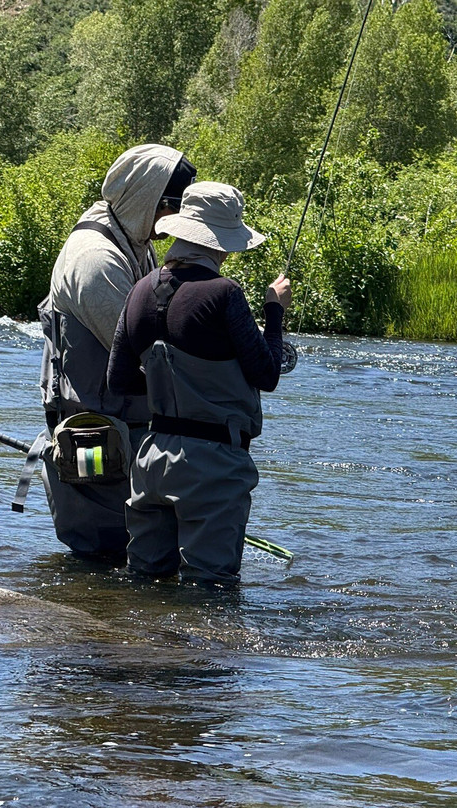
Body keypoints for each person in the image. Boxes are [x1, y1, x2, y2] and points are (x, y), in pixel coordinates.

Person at [106, 181, 291, 586]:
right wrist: (274, 312)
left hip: (151, 459)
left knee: (145, 584)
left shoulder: (138, 291)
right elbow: (267, 374)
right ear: (220, 243)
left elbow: (118, 381)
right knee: (210, 591)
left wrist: (172, 385)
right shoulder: (224, 293)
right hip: (213, 464)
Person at [39, 144, 198, 560]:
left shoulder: (132, 235)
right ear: (147, 199)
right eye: (173, 207)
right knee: (104, 559)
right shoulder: (96, 261)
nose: (178, 220)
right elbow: (140, 351)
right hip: (96, 437)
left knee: (134, 563)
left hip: (120, 431)